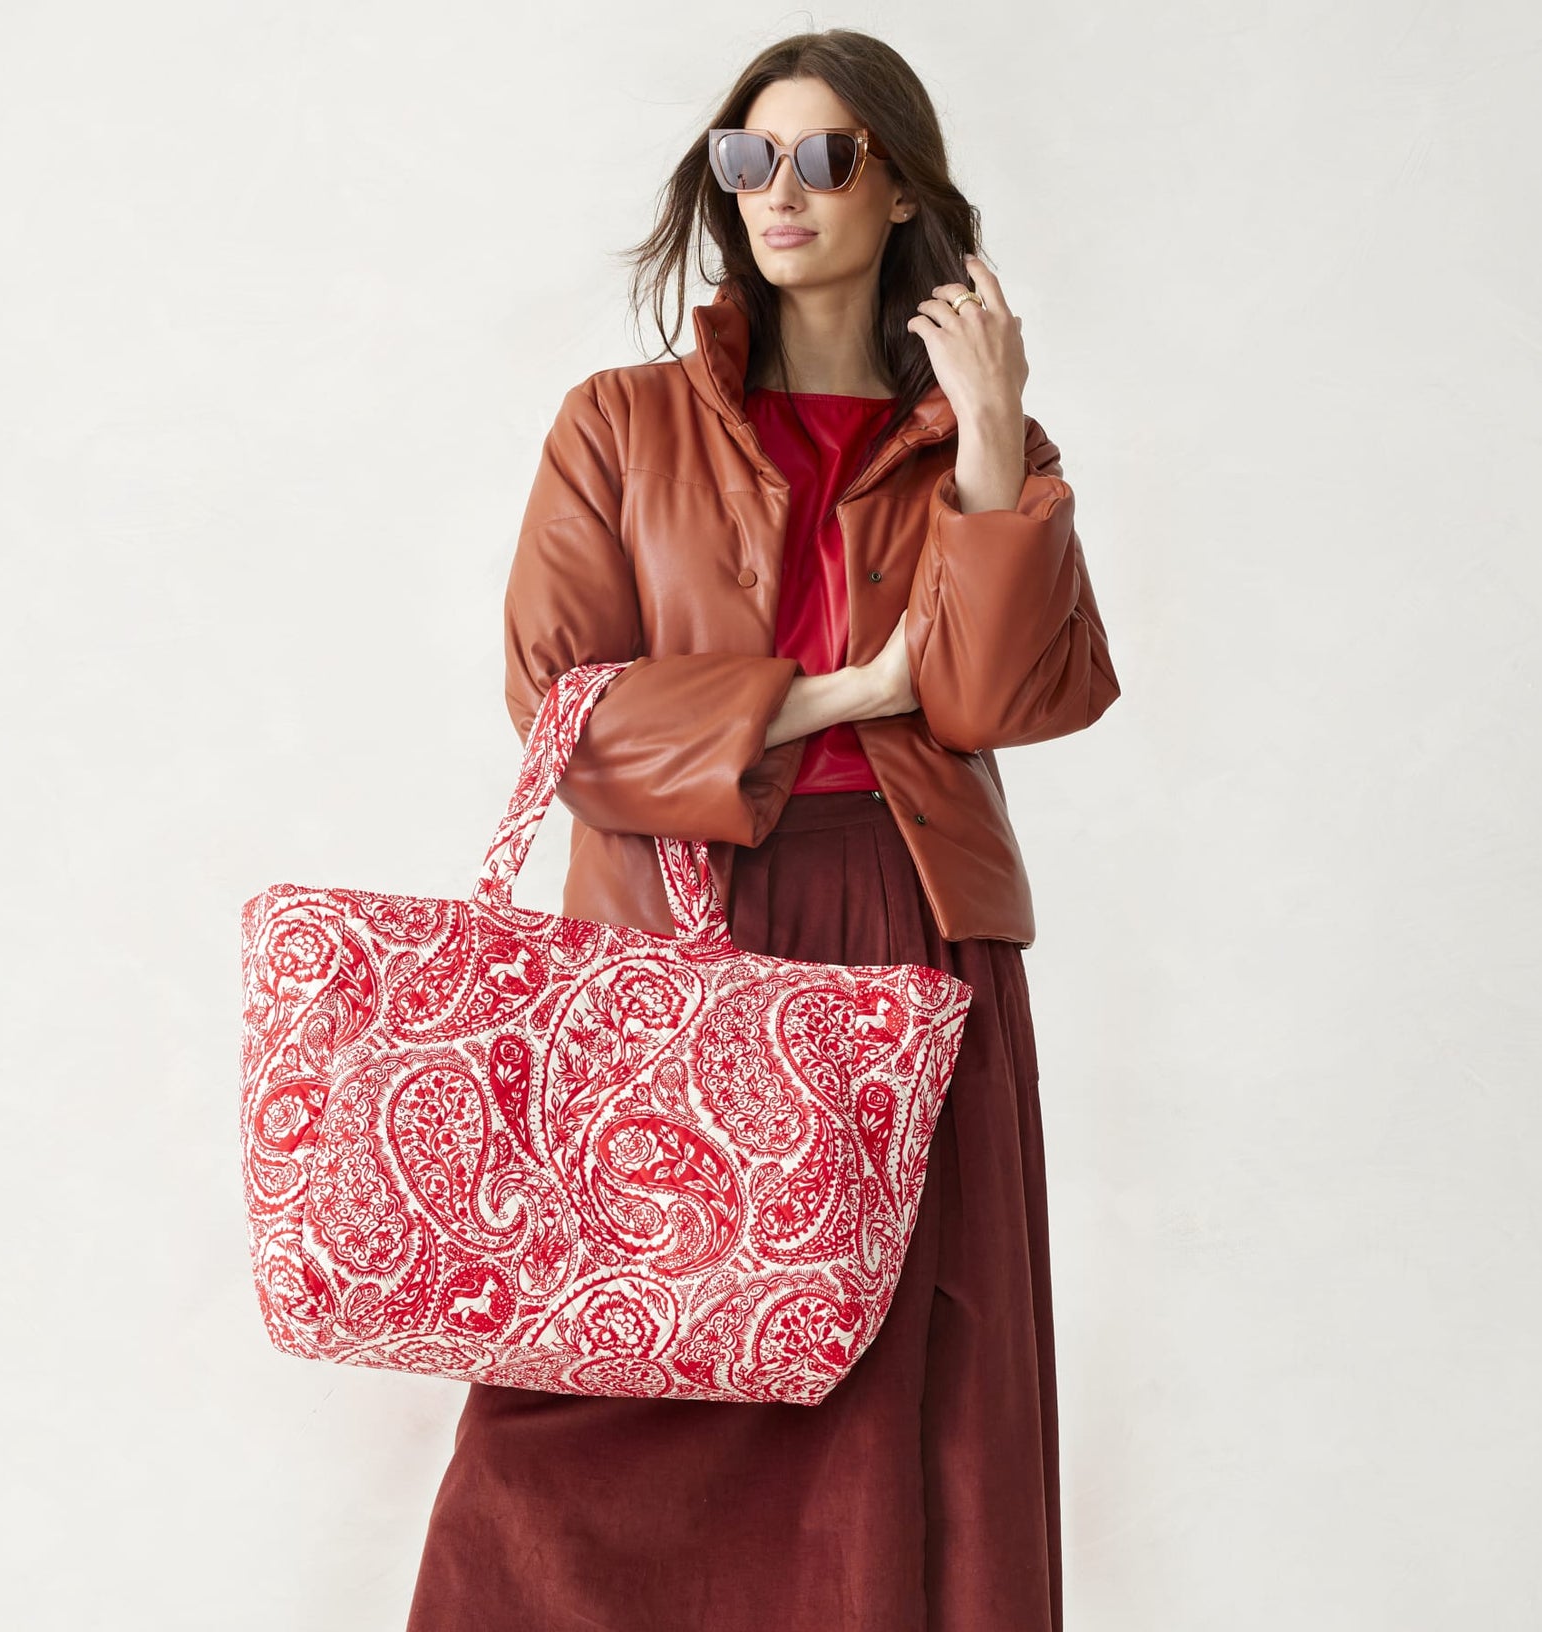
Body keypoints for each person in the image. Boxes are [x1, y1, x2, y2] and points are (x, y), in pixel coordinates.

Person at [407, 27, 1120, 1632]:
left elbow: (1003, 696)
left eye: (823, 157)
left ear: (901, 189)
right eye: (747, 158)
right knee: (596, 1382)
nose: (778, 190)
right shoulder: (619, 422)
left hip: (914, 933)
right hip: (671, 941)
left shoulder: (986, 450)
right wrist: (843, 691)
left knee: (897, 1390)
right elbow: (564, 710)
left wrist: (991, 440)